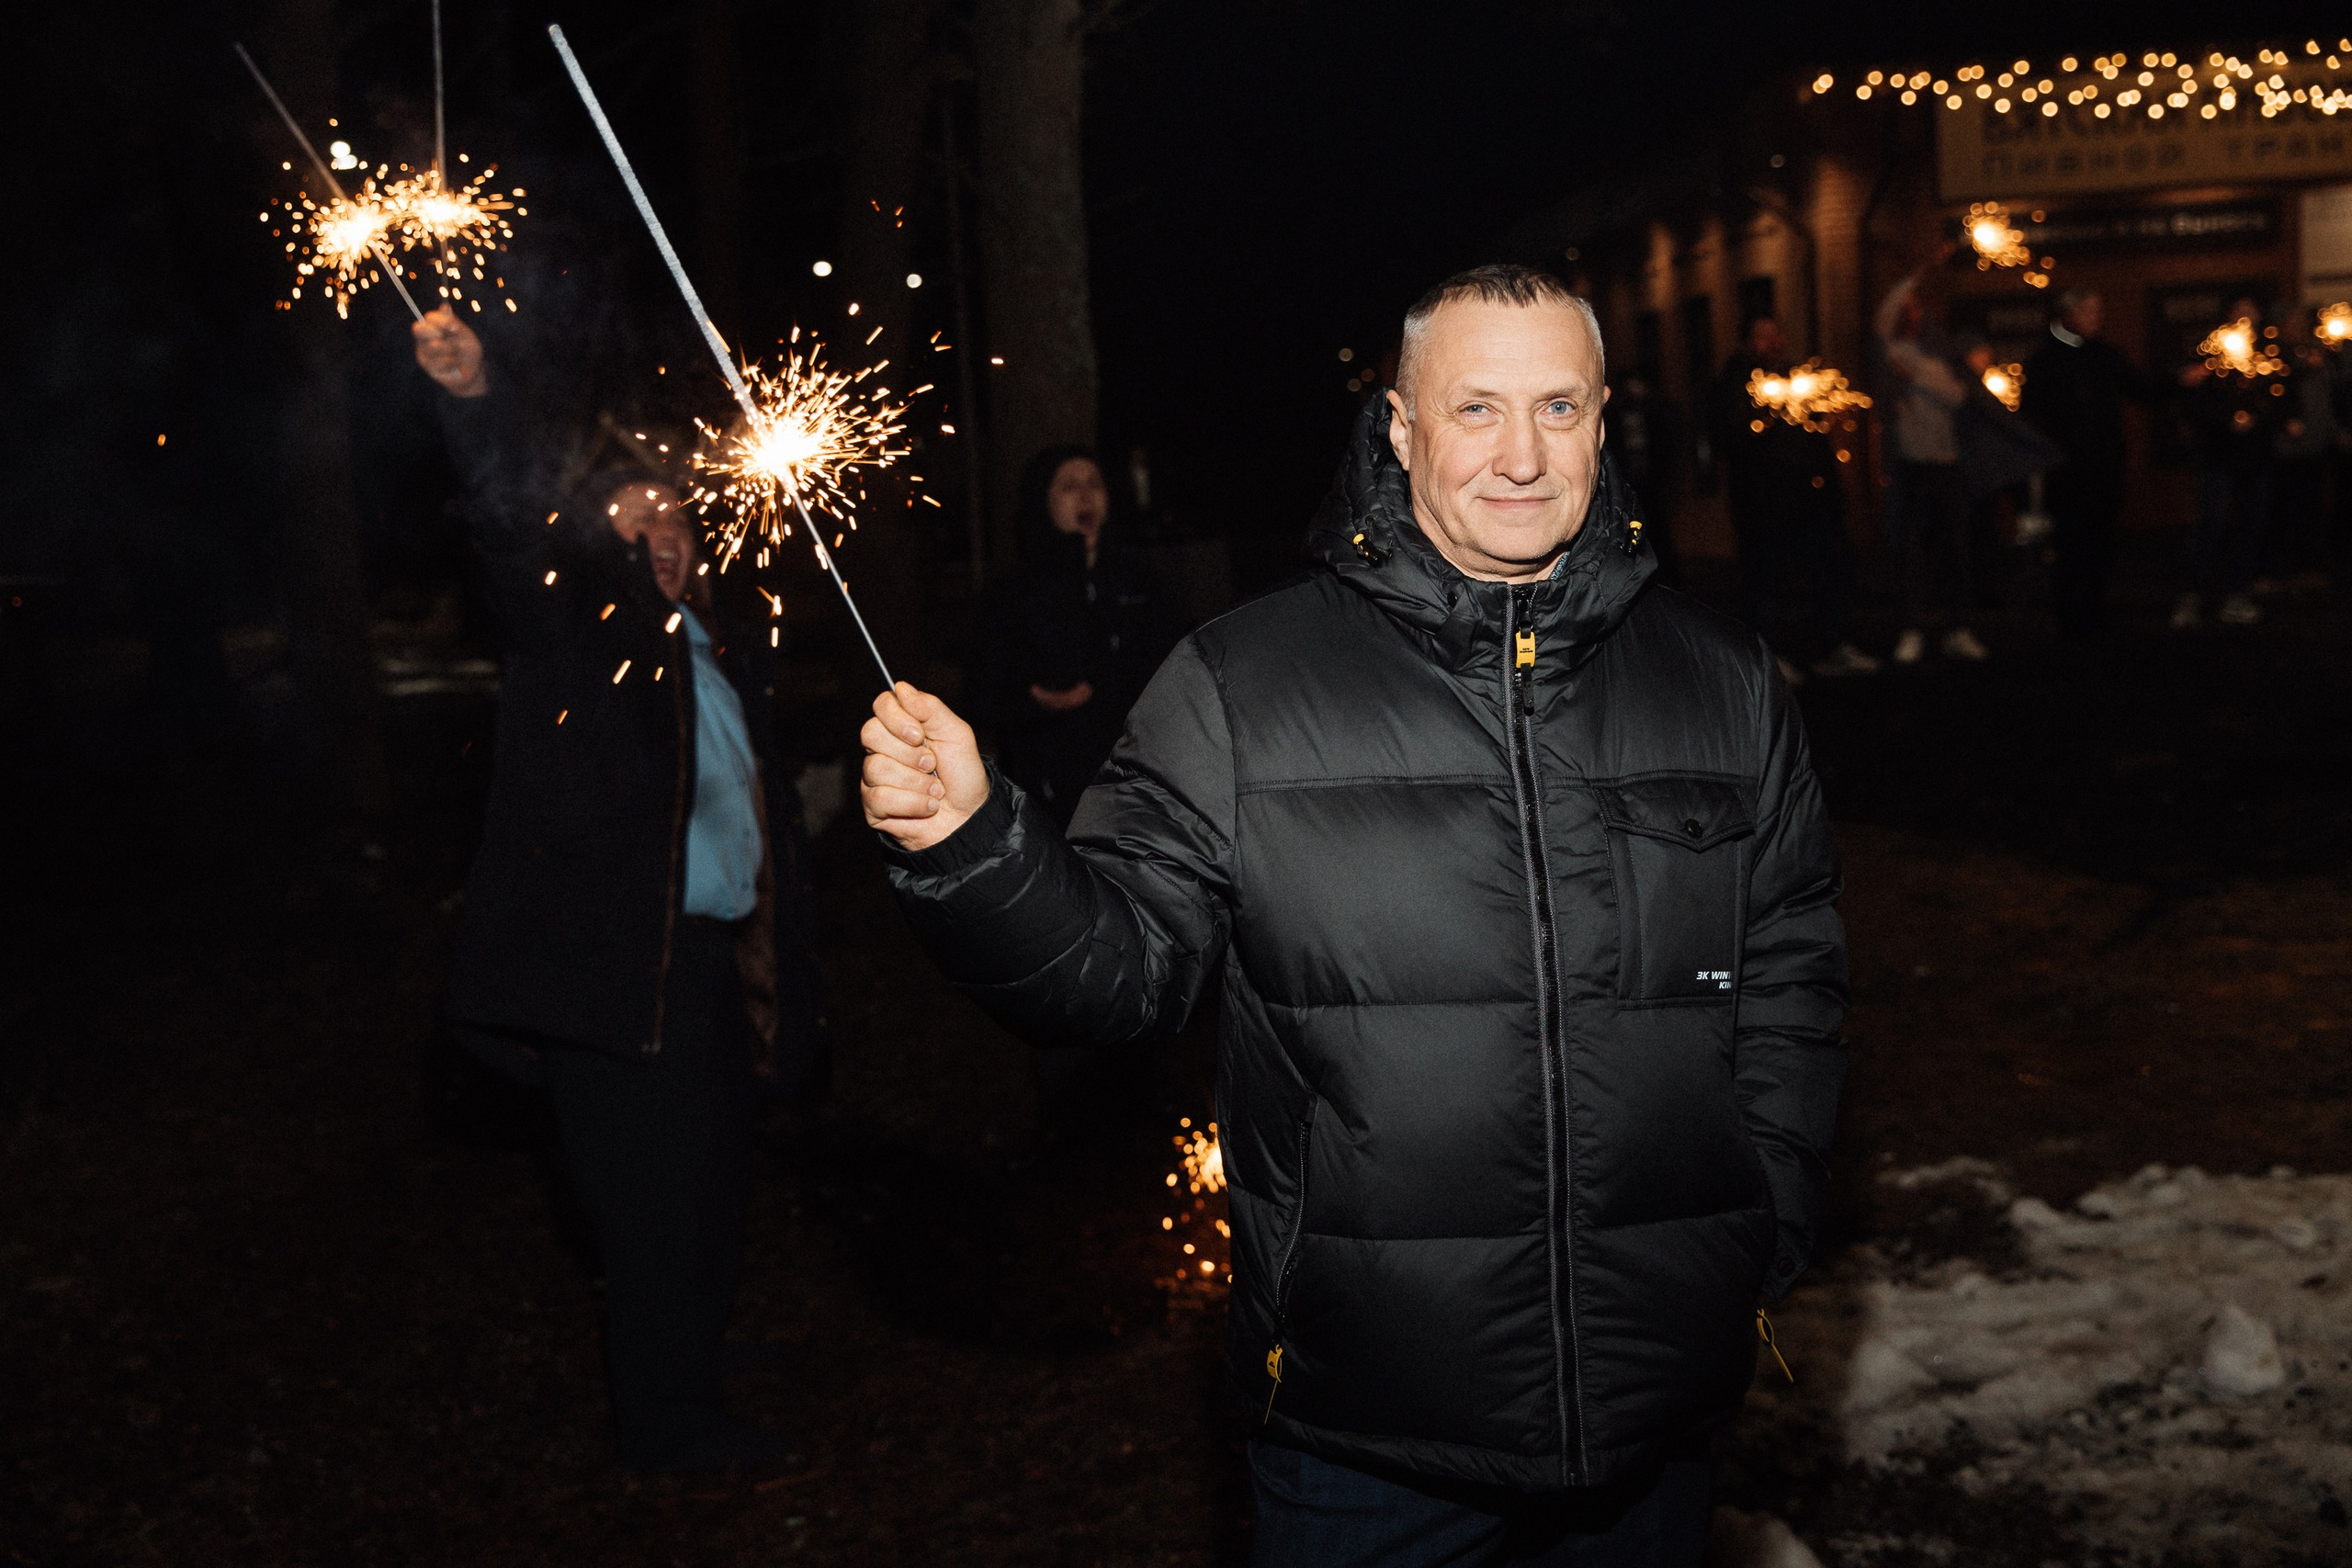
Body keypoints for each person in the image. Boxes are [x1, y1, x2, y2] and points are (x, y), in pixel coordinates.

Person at [862, 265, 1849, 1564]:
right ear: (1400, 426)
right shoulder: (1244, 682)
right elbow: (1112, 976)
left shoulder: (1717, 678)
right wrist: (975, 850)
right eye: (1476, 408)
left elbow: (1792, 969)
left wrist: (1756, 1231)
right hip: (1365, 1431)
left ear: (1605, 422)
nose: (1520, 453)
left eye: (1558, 407)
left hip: (1652, 1420)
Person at [411, 305, 820, 1472]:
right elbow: (504, 519)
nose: (663, 542)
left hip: (711, 964)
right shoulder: (578, 638)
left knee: (713, 1177)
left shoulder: (719, 642)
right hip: (611, 972)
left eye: (678, 521)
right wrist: (474, 397)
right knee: (648, 1203)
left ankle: (690, 1350)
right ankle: (665, 1419)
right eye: (635, 527)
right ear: (596, 548)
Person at [969, 445, 1181, 829]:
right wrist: (1039, 700)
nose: (1085, 496)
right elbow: (985, 696)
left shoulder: (1140, 579)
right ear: (1043, 501)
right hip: (1047, 795)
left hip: (1136, 787)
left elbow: (1169, 668)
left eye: (1094, 484)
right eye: (1069, 486)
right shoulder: (1012, 592)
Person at [1713, 316, 1877, 683]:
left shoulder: (1797, 379)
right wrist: (1768, 413)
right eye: (1762, 336)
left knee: (1831, 568)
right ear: (1748, 342)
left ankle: (1833, 647)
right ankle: (1769, 657)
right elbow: (1731, 437)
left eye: (1776, 335)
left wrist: (1832, 490)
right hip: (1762, 504)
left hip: (1809, 501)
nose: (1772, 343)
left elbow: (1819, 437)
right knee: (1764, 580)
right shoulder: (1736, 382)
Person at [2018, 288, 2163, 639]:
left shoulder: (2104, 355)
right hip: (2067, 475)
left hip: (2103, 470)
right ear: (2068, 315)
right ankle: (2072, 619)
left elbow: (2139, 387)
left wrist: (2180, 383)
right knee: (2071, 547)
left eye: (2098, 311)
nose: (2098, 318)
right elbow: (2033, 420)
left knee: (2101, 544)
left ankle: (2095, 613)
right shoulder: (2045, 363)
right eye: (2090, 311)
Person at [1876, 258, 1987, 664]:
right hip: (1910, 467)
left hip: (1948, 465)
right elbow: (1884, 315)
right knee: (1909, 553)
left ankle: (1959, 628)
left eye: (1916, 308)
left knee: (1955, 551)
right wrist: (1911, 277)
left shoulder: (1938, 360)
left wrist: (1916, 378)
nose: (1911, 313)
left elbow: (1958, 397)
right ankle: (1911, 630)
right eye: (1907, 308)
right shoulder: (1891, 351)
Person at [2172, 298, 2282, 630]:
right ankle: (2192, 595)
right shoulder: (2209, 355)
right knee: (2212, 524)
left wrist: (2260, 419)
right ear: (2229, 315)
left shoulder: (2268, 356)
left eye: (2253, 311)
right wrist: (2226, 421)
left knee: (2249, 526)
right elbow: (2193, 405)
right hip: (2217, 457)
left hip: (2255, 458)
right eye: (2240, 311)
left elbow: (2279, 396)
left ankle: (2237, 595)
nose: (2247, 317)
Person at [1606, 367, 1688, 588]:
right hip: (1629, 484)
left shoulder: (1657, 410)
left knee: (1659, 532)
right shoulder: (1614, 414)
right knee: (1633, 530)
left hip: (1653, 483)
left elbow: (1669, 442)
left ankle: (1668, 579)